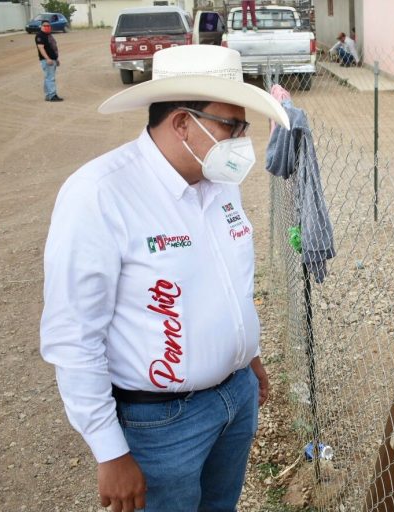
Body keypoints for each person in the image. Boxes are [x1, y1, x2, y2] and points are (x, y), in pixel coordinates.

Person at [40, 44, 290, 512]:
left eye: (243, 127)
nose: (241, 140)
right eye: (230, 126)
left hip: (234, 400)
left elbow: (229, 279)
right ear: (181, 123)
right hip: (160, 424)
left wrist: (247, 356)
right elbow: (74, 335)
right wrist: (109, 449)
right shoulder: (100, 195)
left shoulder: (220, 183)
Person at [35, 19, 62, 102]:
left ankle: (48, 95)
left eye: (48, 26)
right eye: (45, 26)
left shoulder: (48, 35)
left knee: (48, 77)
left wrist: (56, 59)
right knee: (50, 78)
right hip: (47, 60)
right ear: (41, 26)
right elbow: (41, 48)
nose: (47, 27)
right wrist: (47, 58)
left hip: (52, 59)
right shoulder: (40, 36)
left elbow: (53, 48)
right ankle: (52, 95)